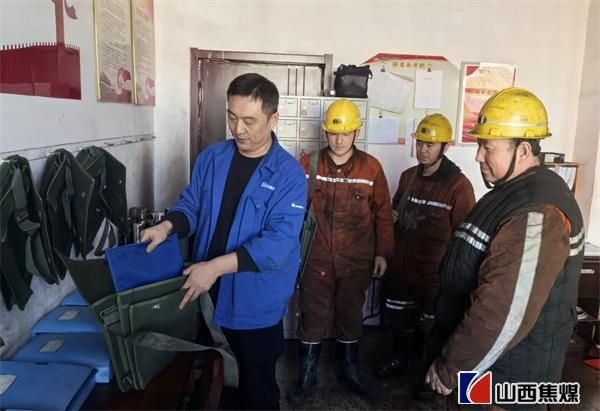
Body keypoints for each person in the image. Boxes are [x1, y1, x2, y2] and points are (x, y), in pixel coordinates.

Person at [141, 73, 307, 410]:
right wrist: (168, 226)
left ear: (273, 118)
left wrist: (215, 268)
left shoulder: (289, 175)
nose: (238, 129)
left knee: (256, 391)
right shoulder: (212, 159)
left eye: (249, 120)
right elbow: (191, 205)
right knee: (216, 384)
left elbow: (277, 245)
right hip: (206, 295)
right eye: (232, 116)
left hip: (255, 303)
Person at [421, 87, 585, 409]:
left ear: (522, 150)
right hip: (486, 369)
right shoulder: (512, 192)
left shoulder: (538, 212)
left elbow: (504, 312)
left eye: (487, 147)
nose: (478, 156)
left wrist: (453, 369)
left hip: (505, 382)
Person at [288, 99, 394, 406]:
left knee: (350, 315)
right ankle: (307, 376)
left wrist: (382, 253)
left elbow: (384, 215)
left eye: (346, 133)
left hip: (356, 259)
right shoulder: (308, 164)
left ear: (356, 132)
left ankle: (350, 372)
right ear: (325, 132)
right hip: (316, 258)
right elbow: (293, 212)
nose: (339, 139)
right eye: (334, 133)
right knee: (312, 314)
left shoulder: (371, 168)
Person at [375, 114, 475, 379]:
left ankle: (426, 373)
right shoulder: (408, 177)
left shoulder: (459, 186)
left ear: (445, 146)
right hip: (401, 266)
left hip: (433, 273)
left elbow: (465, 238)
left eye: (430, 144)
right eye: (420, 143)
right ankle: (400, 359)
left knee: (430, 324)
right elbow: (394, 213)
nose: (423, 149)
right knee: (398, 315)